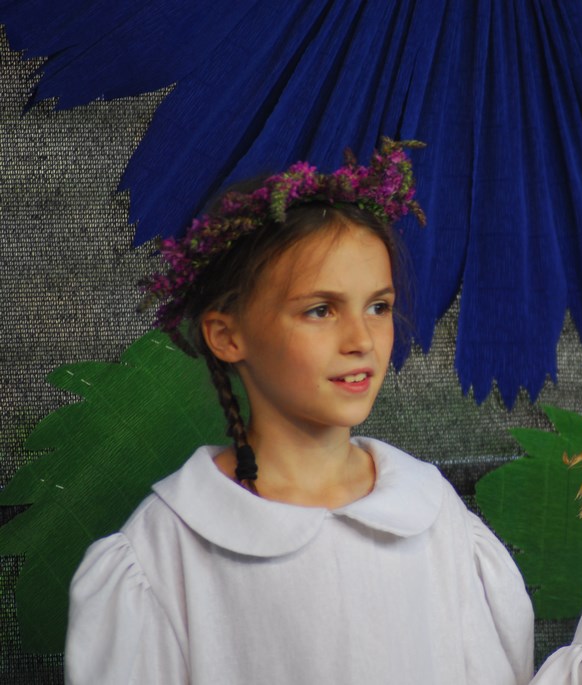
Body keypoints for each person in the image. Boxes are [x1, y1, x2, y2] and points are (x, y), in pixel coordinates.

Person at [63, 139, 534, 684]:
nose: (361, 340)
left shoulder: (435, 518)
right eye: (320, 310)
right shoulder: (163, 554)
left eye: (378, 306)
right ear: (227, 335)